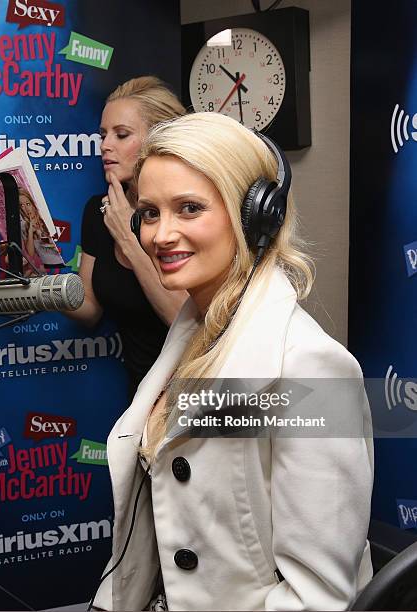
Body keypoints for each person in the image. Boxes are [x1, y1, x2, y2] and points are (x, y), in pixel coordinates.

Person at [91, 113, 374, 611]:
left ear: (253, 216)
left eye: (189, 208)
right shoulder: (192, 334)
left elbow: (319, 598)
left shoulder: (310, 367)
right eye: (150, 213)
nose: (160, 235)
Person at [65, 77, 188, 399]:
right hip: (141, 399)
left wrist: (128, 238)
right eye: (103, 135)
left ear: (159, 140)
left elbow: (184, 323)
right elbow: (90, 309)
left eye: (121, 135)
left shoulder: (187, 212)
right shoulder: (98, 210)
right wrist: (40, 282)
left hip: (195, 394)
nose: (105, 145)